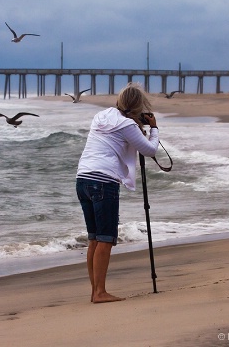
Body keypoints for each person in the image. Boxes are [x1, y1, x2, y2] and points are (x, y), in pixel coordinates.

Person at [76, 82, 159, 303]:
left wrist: (134, 123)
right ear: (137, 107)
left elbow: (118, 134)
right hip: (103, 181)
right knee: (105, 239)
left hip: (83, 178)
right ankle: (100, 292)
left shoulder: (102, 116)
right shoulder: (127, 126)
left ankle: (95, 290)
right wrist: (154, 129)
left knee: (94, 238)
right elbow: (150, 150)